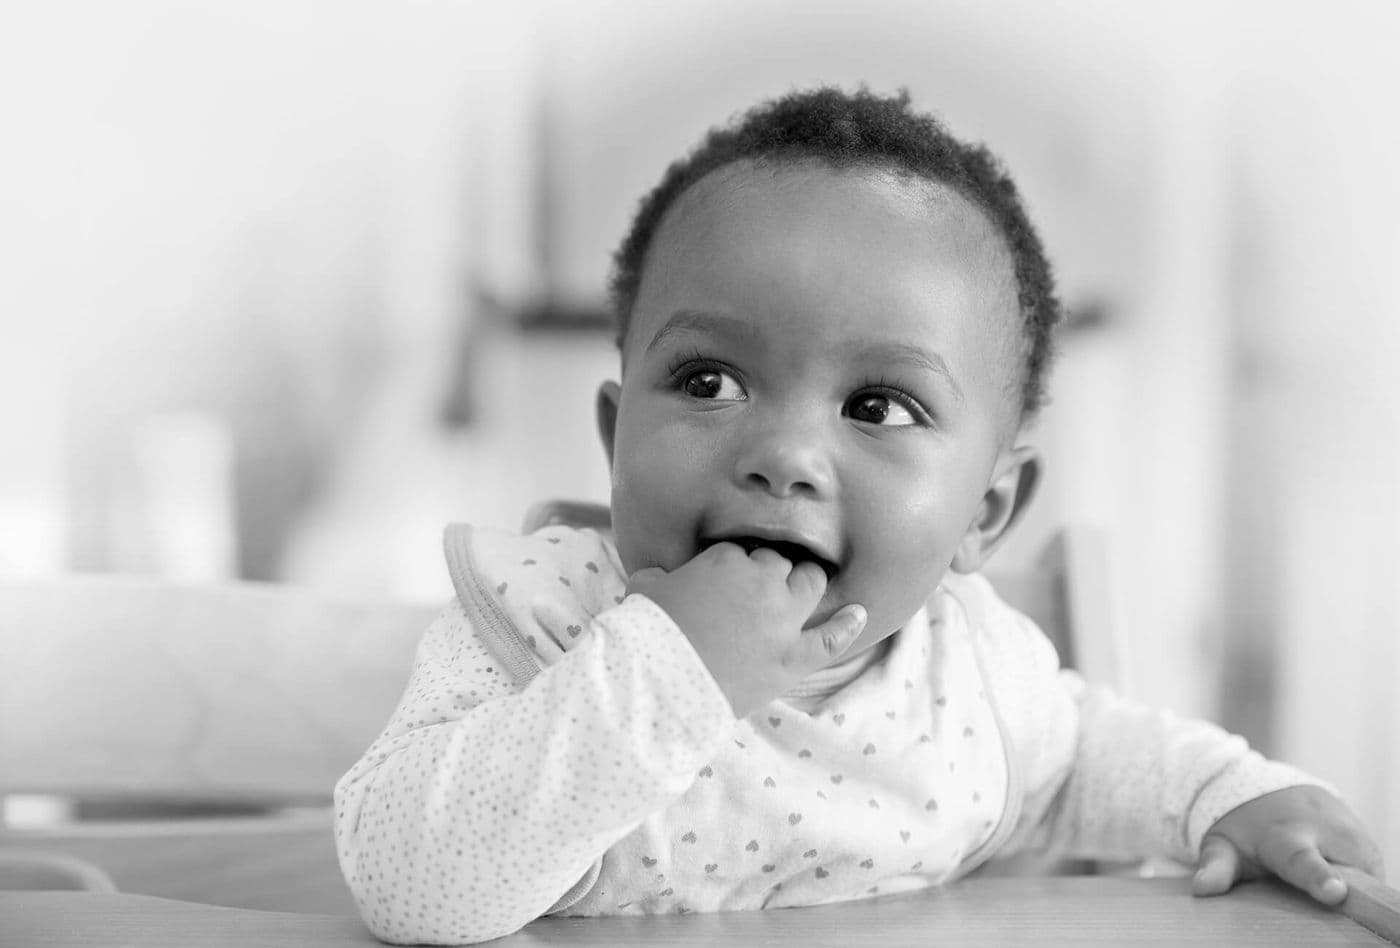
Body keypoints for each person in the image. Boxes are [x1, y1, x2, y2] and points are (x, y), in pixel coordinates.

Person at [333, 86, 1382, 945]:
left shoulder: (968, 680)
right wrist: (666, 672)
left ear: (985, 511)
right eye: (706, 382)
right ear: (614, 438)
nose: (783, 456)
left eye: (877, 406)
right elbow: (405, 883)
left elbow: (1093, 765)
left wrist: (1227, 798)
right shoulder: (541, 626)